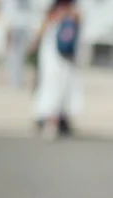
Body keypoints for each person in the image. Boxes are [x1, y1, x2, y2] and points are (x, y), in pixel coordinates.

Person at [29, 0, 80, 139]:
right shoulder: (62, 14)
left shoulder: (69, 14)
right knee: (54, 86)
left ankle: (54, 120)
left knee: (58, 87)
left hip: (61, 57)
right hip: (56, 57)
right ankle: (51, 120)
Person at [0, 0, 32, 89]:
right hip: (17, 25)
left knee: (17, 54)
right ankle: (15, 80)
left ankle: (16, 80)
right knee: (16, 54)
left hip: (17, 25)